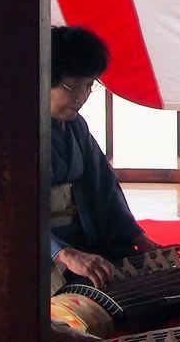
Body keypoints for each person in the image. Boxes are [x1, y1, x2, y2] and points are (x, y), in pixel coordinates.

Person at [47, 24, 158, 285]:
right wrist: (62, 252)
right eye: (72, 87)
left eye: (88, 86)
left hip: (83, 241)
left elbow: (104, 189)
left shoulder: (76, 126)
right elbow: (13, 215)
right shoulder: (13, 136)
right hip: (40, 251)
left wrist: (136, 237)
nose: (81, 97)